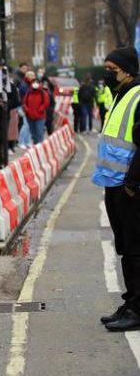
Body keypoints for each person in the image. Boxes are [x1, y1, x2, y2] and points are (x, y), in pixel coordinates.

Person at [92, 46, 140, 331]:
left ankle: (137, 309)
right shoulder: (122, 94)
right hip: (115, 183)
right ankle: (131, 300)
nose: (107, 73)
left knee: (135, 248)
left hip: (130, 186)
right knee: (125, 246)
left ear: (128, 71)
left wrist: (133, 184)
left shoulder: (137, 95)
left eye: (112, 69)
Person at [22, 78, 50, 144]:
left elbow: (46, 103)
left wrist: (41, 109)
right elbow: (24, 102)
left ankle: (40, 146)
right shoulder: (28, 92)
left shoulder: (43, 93)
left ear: (40, 84)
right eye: (33, 82)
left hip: (40, 116)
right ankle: (35, 145)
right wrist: (26, 109)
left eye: (37, 82)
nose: (35, 84)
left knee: (39, 131)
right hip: (29, 116)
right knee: (32, 132)